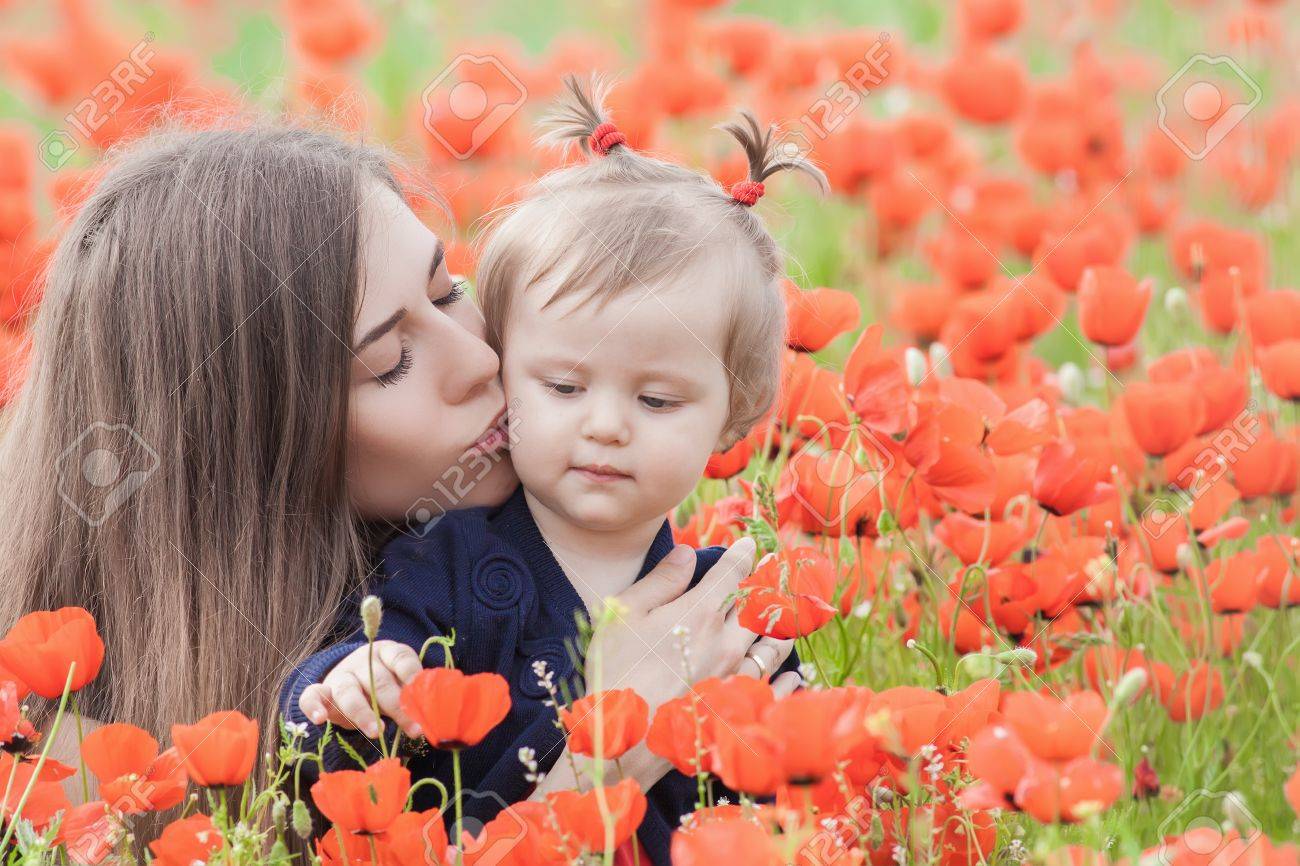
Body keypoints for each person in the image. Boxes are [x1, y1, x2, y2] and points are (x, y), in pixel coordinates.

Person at [0, 118, 780, 822]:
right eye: (390, 361)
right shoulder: (66, 772)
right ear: (254, 458)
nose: (484, 361)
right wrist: (610, 740)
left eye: (450, 292)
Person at [282, 76, 826, 864]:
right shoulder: (446, 563)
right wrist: (348, 681)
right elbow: (326, 719)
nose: (605, 425)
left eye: (659, 400)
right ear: (505, 364)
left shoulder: (731, 610)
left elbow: (789, 802)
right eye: (564, 387)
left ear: (735, 414)